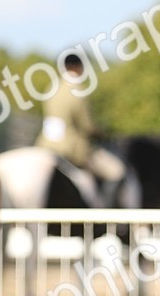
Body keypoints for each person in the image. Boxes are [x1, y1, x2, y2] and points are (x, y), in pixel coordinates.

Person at [36, 53, 126, 202]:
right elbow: (87, 126)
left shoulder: (51, 87)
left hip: (45, 144)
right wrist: (103, 133)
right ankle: (106, 212)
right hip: (71, 149)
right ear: (79, 67)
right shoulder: (78, 90)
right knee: (116, 172)